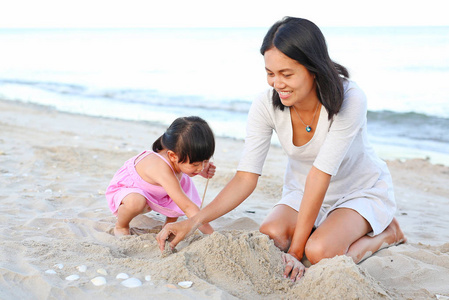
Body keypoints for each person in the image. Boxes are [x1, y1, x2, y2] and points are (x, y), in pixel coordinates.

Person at [156, 17, 406, 281]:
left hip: (357, 191)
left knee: (318, 252)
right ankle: (322, 229)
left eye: (287, 74)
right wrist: (192, 222)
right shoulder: (265, 105)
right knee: (271, 236)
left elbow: (321, 174)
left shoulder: (350, 99)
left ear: (314, 68)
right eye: (270, 73)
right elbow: (245, 177)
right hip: (302, 192)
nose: (277, 83)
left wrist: (297, 253)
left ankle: (389, 232)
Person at [106, 116, 216, 236]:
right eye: (195, 164)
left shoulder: (179, 157)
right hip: (131, 190)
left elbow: (191, 165)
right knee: (136, 202)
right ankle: (121, 226)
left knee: (182, 186)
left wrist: (201, 170)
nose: (201, 167)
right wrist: (212, 234)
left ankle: (167, 226)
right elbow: (187, 207)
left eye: (205, 161)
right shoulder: (160, 168)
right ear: (173, 156)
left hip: (159, 189)